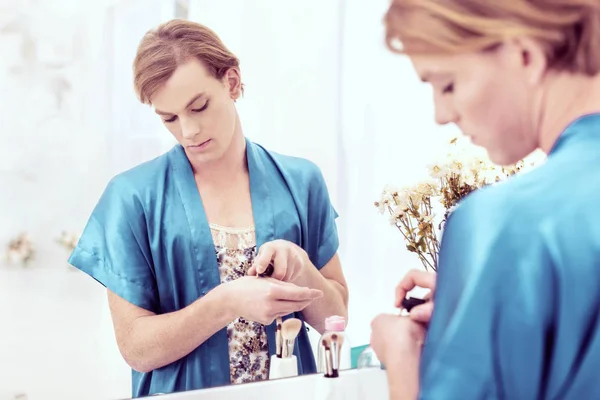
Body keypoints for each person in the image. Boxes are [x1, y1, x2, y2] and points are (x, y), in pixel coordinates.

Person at [68, 19, 348, 398]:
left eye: (198, 107)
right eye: (169, 118)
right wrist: (226, 302)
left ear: (231, 83)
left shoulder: (301, 182)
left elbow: (337, 317)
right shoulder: (131, 198)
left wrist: (300, 267)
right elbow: (136, 347)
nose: (188, 131)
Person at [369, 1, 600, 399]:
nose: (441, 114)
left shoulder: (503, 223)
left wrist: (403, 360)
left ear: (524, 53)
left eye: (447, 85)